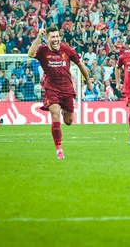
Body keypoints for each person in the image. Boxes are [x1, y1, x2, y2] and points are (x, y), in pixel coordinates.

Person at [28, 26, 94, 160]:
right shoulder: (42, 50)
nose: (56, 39)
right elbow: (30, 53)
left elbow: (81, 65)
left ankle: (64, 110)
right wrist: (38, 37)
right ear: (47, 39)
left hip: (67, 89)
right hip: (51, 89)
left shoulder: (67, 49)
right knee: (55, 114)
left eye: (57, 36)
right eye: (53, 37)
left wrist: (88, 81)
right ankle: (59, 149)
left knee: (69, 121)